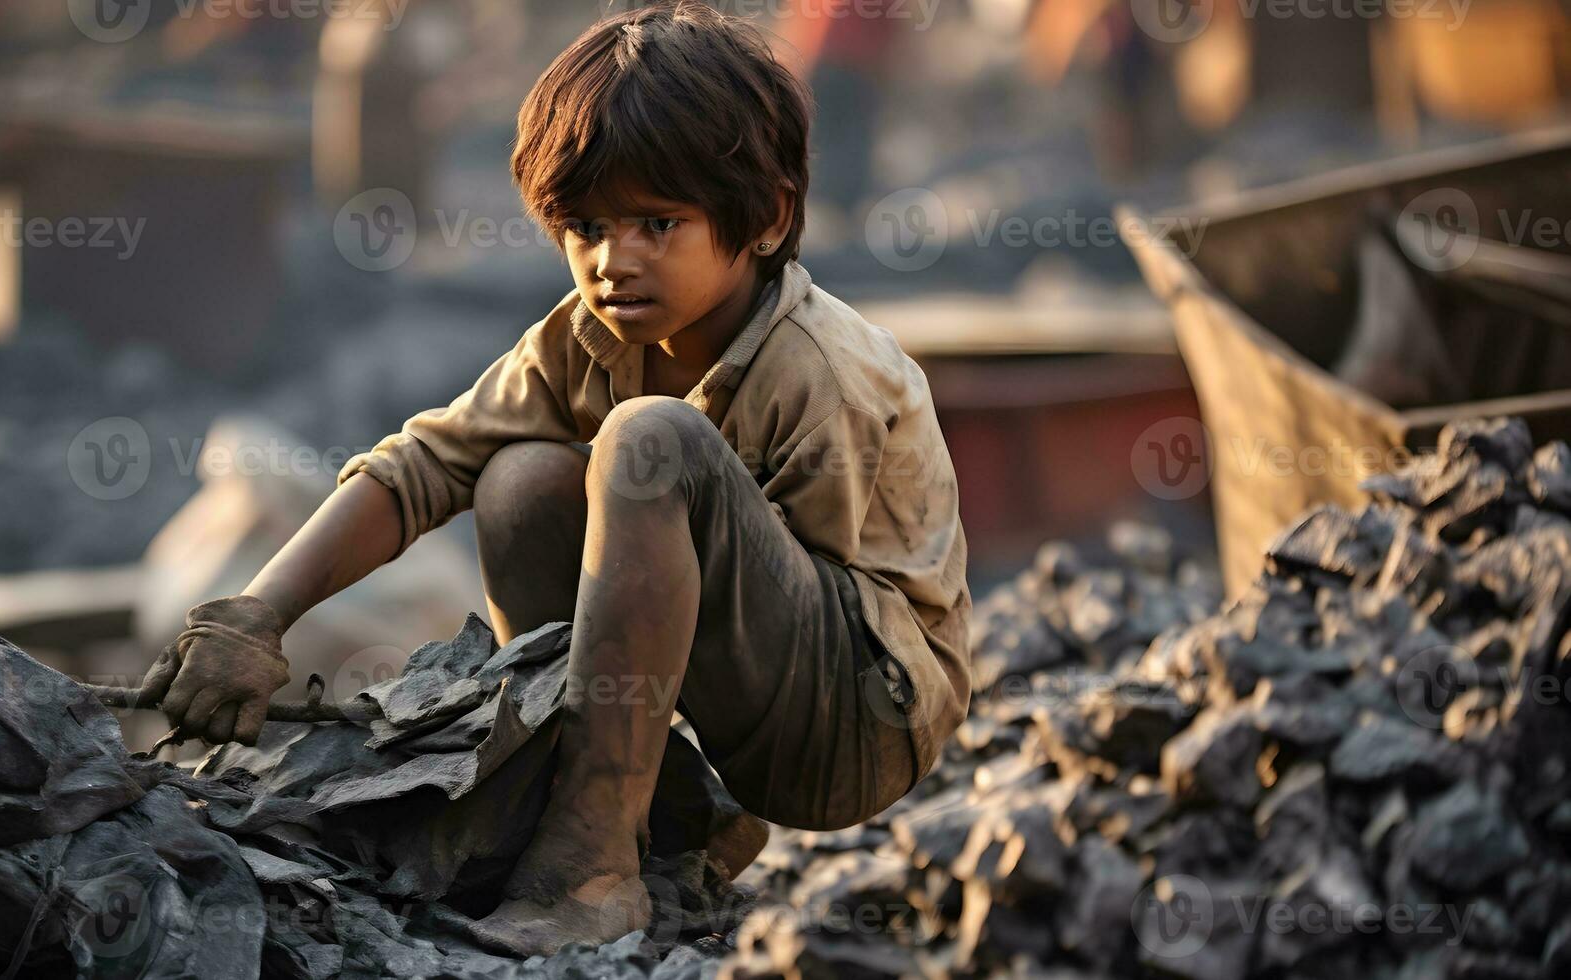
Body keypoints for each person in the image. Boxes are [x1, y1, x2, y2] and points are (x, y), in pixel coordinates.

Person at [145, 1, 973, 956]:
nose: (612, 262)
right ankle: (645, 819)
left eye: (659, 223)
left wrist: (655, 498)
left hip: (857, 721)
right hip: (749, 686)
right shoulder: (585, 338)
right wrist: (257, 615)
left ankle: (592, 867)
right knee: (519, 479)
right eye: (585, 227)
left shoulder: (817, 368)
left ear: (768, 218)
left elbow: (804, 598)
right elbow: (426, 462)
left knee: (648, 443)